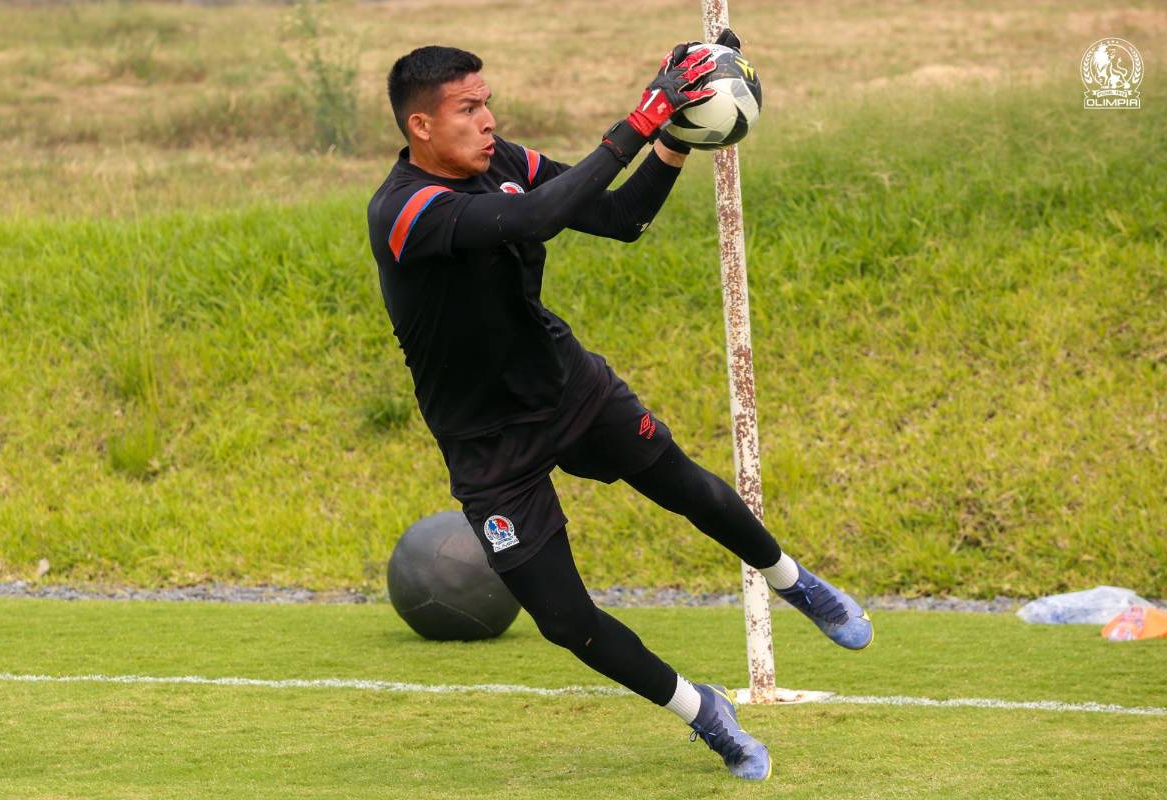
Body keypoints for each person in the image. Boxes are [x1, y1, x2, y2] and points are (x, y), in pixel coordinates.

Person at [367, 34, 872, 782]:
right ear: (420, 126)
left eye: (488, 102)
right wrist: (641, 118)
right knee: (566, 622)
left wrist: (677, 132)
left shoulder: (506, 162)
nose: (488, 121)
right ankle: (704, 712)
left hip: (566, 387)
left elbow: (620, 217)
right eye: (468, 109)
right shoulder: (404, 212)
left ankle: (797, 583)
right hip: (485, 446)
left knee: (686, 488)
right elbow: (530, 222)